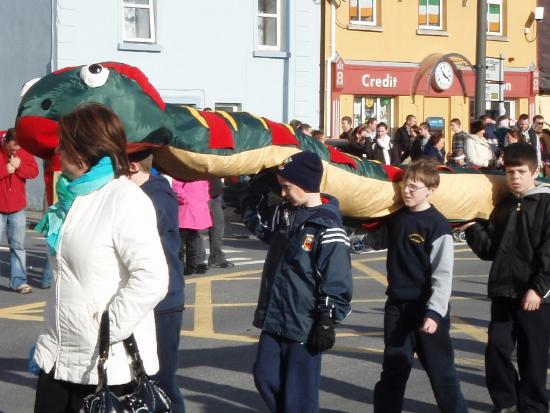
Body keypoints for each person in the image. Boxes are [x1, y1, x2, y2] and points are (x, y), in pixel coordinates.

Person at [32, 103, 169, 412]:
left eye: (63, 144)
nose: (57, 149)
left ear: (83, 150)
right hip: (58, 356)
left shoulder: (124, 199)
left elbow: (152, 278)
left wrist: (106, 327)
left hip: (107, 366)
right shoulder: (72, 198)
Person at [241, 151, 352, 413]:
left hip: (305, 322)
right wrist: (256, 187)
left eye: (287, 187)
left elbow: (336, 276)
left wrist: (327, 318)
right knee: (264, 376)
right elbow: (256, 222)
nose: (282, 193)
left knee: (299, 396)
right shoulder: (285, 214)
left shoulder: (327, 224)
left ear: (306, 184)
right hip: (276, 316)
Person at [461, 143, 550, 413]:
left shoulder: (545, 204)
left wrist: (539, 288)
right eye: (510, 172)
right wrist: (472, 228)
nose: (515, 177)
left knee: (532, 359)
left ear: (535, 172)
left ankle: (533, 407)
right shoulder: (504, 206)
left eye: (521, 171)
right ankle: (507, 402)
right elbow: (490, 250)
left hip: (536, 296)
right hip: (504, 291)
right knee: (496, 350)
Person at [373, 159, 467, 413]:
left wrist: (435, 312)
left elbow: (442, 273)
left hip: (426, 310)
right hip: (396, 307)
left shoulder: (437, 224)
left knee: (442, 374)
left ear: (431, 190)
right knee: (393, 372)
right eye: (405, 184)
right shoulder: (396, 218)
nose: (406, 191)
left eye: (414, 187)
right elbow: (372, 239)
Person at [128, 149, 186, 413]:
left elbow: (145, 229)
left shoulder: (157, 195)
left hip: (163, 301)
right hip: (139, 298)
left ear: (130, 166)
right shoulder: (133, 194)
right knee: (137, 380)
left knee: (161, 381)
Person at [0, 129, 38, 294]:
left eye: (17, 149)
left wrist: (20, 165)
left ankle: (19, 282)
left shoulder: (24, 150)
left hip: (17, 207)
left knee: (18, 247)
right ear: (5, 141)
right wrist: (4, 170)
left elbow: (34, 171)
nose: (14, 152)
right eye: (11, 149)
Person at [172, 178, 212, 275]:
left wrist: (204, 197)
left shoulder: (199, 174)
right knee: (181, 243)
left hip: (195, 210)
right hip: (185, 210)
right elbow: (176, 187)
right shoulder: (183, 172)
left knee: (192, 242)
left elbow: (205, 185)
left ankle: (191, 266)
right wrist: (185, 199)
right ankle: (179, 266)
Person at [206, 178, 235, 269]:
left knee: (218, 224)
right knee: (196, 228)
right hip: (200, 191)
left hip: (215, 193)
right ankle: (196, 260)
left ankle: (216, 258)